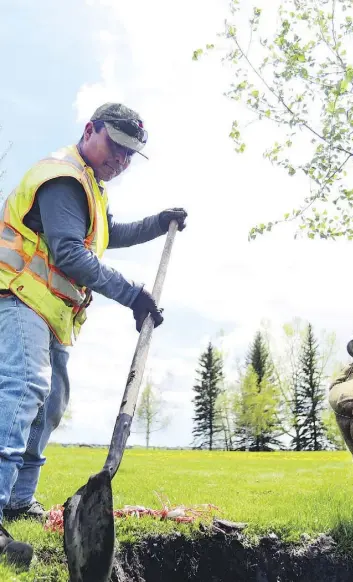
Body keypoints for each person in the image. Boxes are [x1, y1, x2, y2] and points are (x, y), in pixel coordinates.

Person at [0, 103, 187, 567]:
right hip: (20, 295)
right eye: (116, 147)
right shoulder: (63, 177)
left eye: (129, 156)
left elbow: (109, 235)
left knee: (49, 406)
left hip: (51, 312)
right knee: (24, 391)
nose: (120, 160)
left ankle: (18, 501)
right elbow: (67, 253)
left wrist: (157, 221)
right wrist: (132, 294)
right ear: (90, 130)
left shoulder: (92, 191)